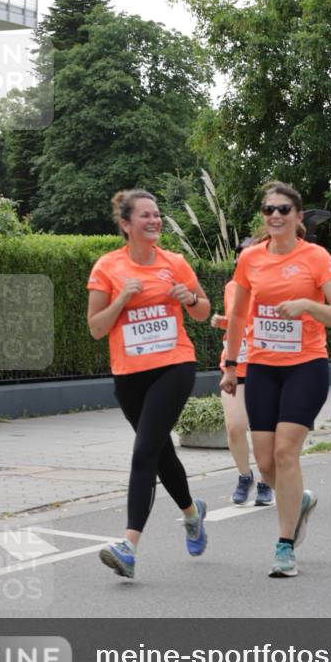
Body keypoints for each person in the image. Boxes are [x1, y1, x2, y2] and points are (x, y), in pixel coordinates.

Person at [220, 182, 331, 578]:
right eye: (268, 210)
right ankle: (301, 500)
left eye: (283, 209)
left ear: (299, 218)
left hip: (306, 366)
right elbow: (239, 317)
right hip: (260, 367)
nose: (275, 216)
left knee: (284, 453)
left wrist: (310, 305)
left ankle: (284, 546)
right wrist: (230, 366)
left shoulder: (317, 258)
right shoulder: (250, 259)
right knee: (264, 462)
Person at [87, 189, 211, 580]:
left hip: (174, 365)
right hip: (128, 375)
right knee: (159, 453)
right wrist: (121, 298)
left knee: (143, 452)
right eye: (146, 216)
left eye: (157, 215)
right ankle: (192, 514)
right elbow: (96, 328)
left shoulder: (174, 263)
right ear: (126, 225)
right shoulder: (107, 267)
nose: (155, 221)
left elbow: (203, 312)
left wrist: (189, 296)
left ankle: (128, 547)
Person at [211, 239, 273, 507]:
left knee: (265, 432)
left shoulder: (272, 288)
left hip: (265, 367)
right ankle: (244, 476)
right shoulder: (231, 288)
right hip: (234, 366)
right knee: (235, 427)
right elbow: (237, 322)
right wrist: (223, 322)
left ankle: (265, 482)